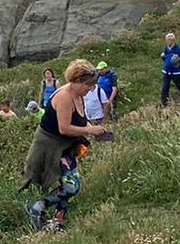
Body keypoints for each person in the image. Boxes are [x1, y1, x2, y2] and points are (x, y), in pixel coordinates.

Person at [21, 59, 113, 231]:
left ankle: (58, 221)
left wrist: (94, 128)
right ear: (77, 81)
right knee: (71, 187)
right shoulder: (64, 97)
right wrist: (89, 131)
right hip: (51, 146)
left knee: (69, 184)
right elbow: (64, 128)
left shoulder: (79, 95)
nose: (90, 89)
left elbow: (80, 120)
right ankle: (37, 207)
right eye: (88, 85)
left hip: (66, 147)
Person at [159, 34, 180, 105]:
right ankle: (164, 103)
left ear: (173, 40)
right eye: (166, 40)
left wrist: (179, 59)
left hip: (176, 72)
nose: (167, 42)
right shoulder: (166, 48)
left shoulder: (178, 49)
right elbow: (166, 59)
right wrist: (163, 57)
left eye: (168, 40)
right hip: (166, 71)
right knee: (165, 87)